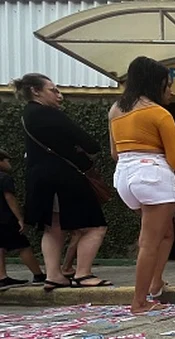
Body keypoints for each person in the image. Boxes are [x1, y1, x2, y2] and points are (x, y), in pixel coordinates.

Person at [14, 73, 109, 292]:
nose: (60, 95)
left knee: (53, 227)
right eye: (53, 90)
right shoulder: (51, 115)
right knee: (95, 226)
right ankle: (83, 274)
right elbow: (91, 144)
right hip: (64, 178)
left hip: (38, 179)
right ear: (35, 91)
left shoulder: (27, 115)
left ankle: (55, 275)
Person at [110, 56, 175, 313]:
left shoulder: (116, 109)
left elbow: (114, 153)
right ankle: (140, 301)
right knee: (150, 240)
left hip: (124, 176)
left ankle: (156, 283)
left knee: (164, 234)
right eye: (168, 85)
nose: (171, 91)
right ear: (156, 84)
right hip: (152, 176)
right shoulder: (159, 114)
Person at [0, 149, 45, 289]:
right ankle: (38, 274)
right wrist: (19, 217)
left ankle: (2, 277)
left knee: (0, 246)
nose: (9, 164)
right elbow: (10, 198)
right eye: (7, 161)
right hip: (6, 218)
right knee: (23, 246)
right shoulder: (4, 178)